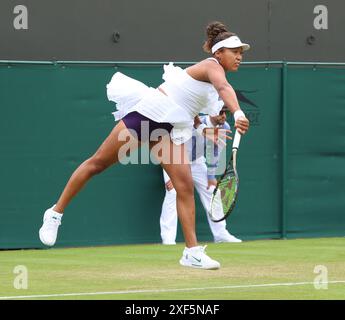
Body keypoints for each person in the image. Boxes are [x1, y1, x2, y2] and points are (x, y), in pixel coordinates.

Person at [39, 21, 250, 270]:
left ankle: (191, 252)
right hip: (150, 115)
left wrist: (203, 129)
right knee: (97, 164)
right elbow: (224, 87)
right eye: (234, 52)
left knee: (183, 186)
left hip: (171, 127)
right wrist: (237, 113)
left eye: (241, 53)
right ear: (218, 53)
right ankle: (55, 213)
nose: (239, 57)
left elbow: (189, 107)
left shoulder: (210, 86)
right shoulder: (211, 67)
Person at [160, 108, 242, 245]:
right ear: (211, 112)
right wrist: (171, 175)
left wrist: (211, 177)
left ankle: (221, 234)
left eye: (225, 113)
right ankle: (168, 239)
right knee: (173, 193)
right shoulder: (193, 122)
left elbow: (215, 152)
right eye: (220, 112)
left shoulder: (224, 127)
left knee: (212, 193)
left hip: (197, 162)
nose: (223, 116)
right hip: (174, 159)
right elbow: (172, 144)